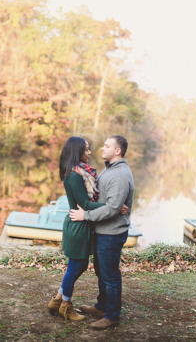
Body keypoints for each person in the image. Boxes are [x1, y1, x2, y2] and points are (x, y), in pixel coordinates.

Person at [46, 136, 128, 321]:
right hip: (78, 225)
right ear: (77, 152)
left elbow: (88, 201)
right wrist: (113, 207)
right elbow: (84, 203)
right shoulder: (75, 175)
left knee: (78, 265)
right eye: (86, 150)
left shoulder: (80, 171)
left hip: (82, 224)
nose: (90, 153)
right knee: (75, 267)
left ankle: (57, 300)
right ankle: (65, 305)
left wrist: (109, 206)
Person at [69, 135, 133, 330]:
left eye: (107, 146)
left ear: (117, 151)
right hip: (102, 231)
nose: (102, 148)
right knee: (101, 272)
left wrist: (85, 215)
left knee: (110, 275)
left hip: (111, 233)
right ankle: (102, 306)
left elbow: (113, 208)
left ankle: (112, 315)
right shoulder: (110, 168)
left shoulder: (120, 174)